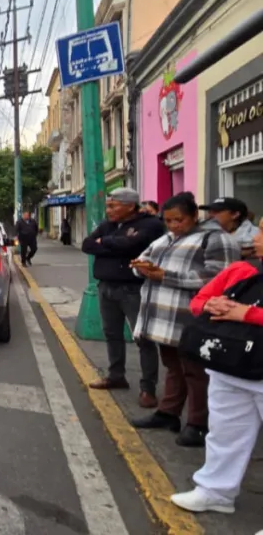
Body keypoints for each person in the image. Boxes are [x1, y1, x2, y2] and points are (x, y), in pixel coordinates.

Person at [129, 192, 240, 447]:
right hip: (163, 318)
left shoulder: (216, 239)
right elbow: (145, 259)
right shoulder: (168, 238)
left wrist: (165, 275)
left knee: (196, 371)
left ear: (194, 216)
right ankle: (169, 413)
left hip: (192, 317)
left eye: (179, 220)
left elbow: (219, 279)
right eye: (168, 221)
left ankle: (199, 423)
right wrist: (140, 267)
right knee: (173, 366)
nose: (173, 226)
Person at [170, 230, 263, 515]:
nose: (257, 238)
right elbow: (199, 300)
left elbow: (245, 313)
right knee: (224, 432)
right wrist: (210, 304)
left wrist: (247, 314)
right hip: (230, 364)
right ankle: (215, 491)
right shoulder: (242, 269)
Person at [82, 187, 167, 405]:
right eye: (108, 205)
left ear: (130, 205)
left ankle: (148, 388)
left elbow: (134, 245)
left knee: (143, 338)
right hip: (106, 286)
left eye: (113, 205)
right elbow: (87, 245)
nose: (108, 210)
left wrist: (106, 243)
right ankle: (116, 376)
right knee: (112, 334)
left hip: (133, 289)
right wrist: (114, 244)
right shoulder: (108, 225)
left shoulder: (150, 224)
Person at [200, 197, 260, 261]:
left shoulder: (257, 235)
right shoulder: (205, 232)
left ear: (235, 214)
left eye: (216, 211)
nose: (210, 215)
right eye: (209, 211)